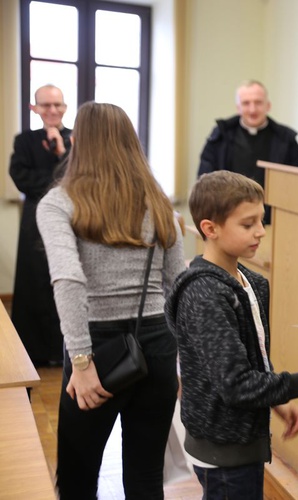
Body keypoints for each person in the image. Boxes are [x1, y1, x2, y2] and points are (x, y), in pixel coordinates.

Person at [165, 171, 298, 500]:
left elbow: (253, 358)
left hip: (245, 437)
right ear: (210, 229)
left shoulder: (251, 282)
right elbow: (235, 383)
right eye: (247, 224)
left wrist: (275, 402)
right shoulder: (205, 295)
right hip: (223, 445)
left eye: (262, 220)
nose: (260, 231)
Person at [37, 102, 185, 499]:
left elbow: (68, 281)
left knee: (77, 479)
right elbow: (179, 287)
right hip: (157, 344)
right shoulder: (160, 205)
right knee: (146, 479)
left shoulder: (58, 203)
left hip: (97, 349)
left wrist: (82, 363)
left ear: (79, 141)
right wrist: (182, 362)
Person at [9, 84, 71, 365]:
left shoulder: (75, 140)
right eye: (45, 105)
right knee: (34, 284)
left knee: (63, 280)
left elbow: (77, 180)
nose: (52, 110)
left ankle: (64, 351)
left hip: (70, 220)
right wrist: (55, 183)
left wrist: (60, 153)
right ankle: (32, 354)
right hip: (34, 222)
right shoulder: (24, 141)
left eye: (57, 105)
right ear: (35, 109)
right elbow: (20, 177)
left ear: (65, 108)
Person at [197, 80, 298, 224]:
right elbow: (205, 181)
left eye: (258, 102)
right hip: (228, 222)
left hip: (273, 223)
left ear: (268, 106)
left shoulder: (286, 140)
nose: (252, 109)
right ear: (238, 107)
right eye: (246, 103)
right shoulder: (220, 137)